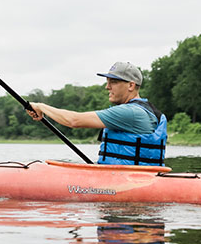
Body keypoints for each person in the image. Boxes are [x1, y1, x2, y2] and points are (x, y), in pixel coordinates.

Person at [27, 62, 168, 166]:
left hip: (127, 178)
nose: (107, 87)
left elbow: (74, 121)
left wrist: (41, 106)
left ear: (131, 85)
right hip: (134, 175)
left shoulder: (130, 112)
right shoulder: (146, 110)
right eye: (107, 82)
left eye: (113, 82)